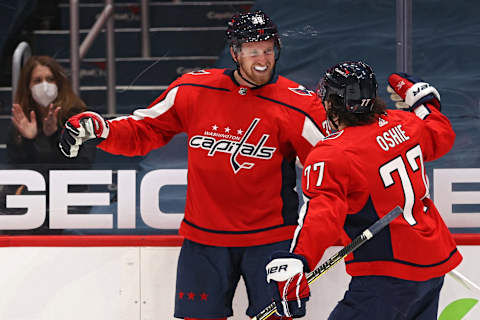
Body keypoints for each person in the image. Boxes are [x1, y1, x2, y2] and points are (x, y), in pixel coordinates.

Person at [58, 10, 329, 320]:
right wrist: (104, 129)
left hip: (270, 241)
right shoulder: (193, 90)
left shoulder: (298, 104)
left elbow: (332, 166)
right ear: (235, 52)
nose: (263, 59)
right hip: (204, 240)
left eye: (269, 49)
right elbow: (145, 130)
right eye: (254, 51)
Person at [265, 61, 463, 319]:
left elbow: (323, 212)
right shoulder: (404, 122)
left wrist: (299, 259)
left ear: (332, 104)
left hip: (388, 274)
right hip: (433, 265)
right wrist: (424, 103)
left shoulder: (333, 153)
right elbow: (441, 135)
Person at [4, 55, 96, 233]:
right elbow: (17, 171)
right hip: (31, 200)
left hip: (68, 198)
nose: (44, 85)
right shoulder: (21, 122)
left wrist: (54, 136)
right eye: (37, 80)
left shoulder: (80, 119)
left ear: (59, 83)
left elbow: (81, 168)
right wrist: (30, 140)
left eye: (50, 79)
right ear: (28, 87)